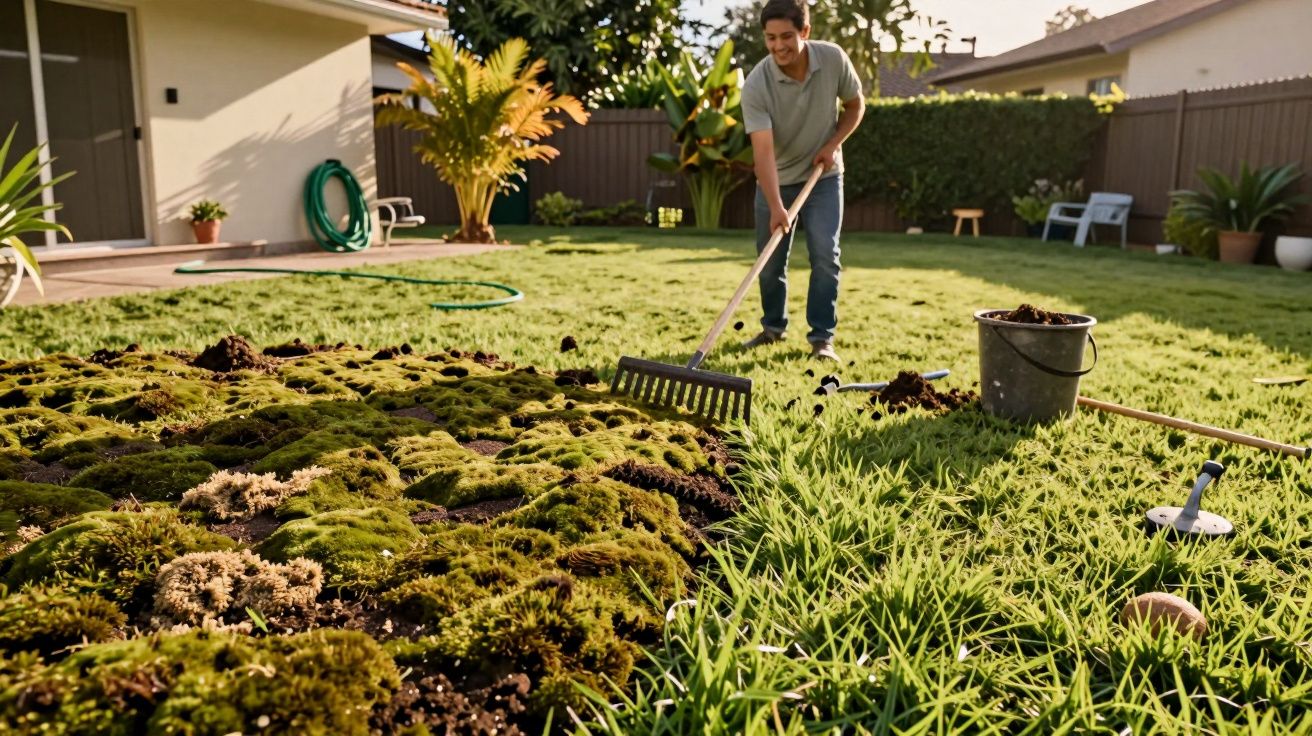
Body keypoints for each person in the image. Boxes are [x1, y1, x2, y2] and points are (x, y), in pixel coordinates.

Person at [739, 0, 864, 362]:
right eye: (770, 38)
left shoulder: (833, 59)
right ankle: (772, 328)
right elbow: (762, 154)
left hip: (822, 177)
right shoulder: (757, 85)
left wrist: (832, 145)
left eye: (787, 36)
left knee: (825, 254)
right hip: (776, 180)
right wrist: (777, 206)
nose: (779, 46)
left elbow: (856, 106)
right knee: (770, 262)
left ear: (805, 32)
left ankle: (822, 338)